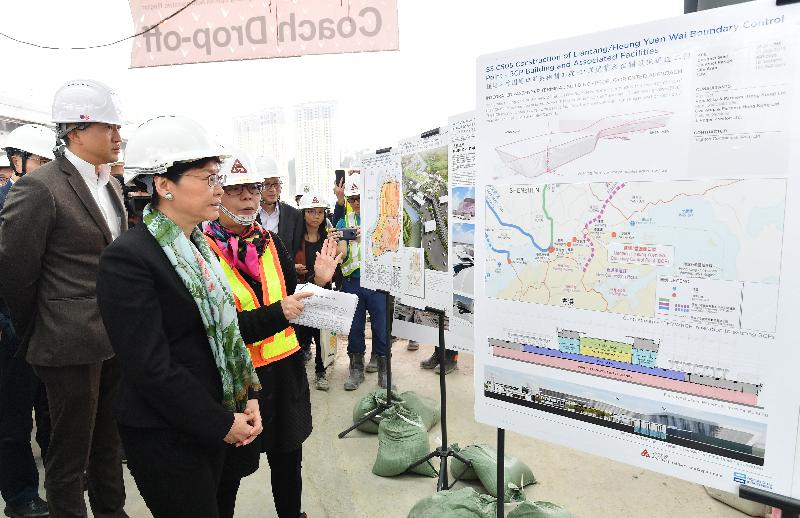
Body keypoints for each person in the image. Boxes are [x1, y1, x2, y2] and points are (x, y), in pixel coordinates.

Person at [96, 116, 270, 518]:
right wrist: (218, 422)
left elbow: (225, 334)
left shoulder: (199, 249)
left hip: (218, 416)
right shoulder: (129, 258)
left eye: (217, 178)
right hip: (166, 434)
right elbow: (150, 367)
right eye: (208, 178)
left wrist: (247, 397)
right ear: (163, 185)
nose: (220, 189)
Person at [0, 79, 128, 518]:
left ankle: (112, 511)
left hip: (114, 340)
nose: (117, 136)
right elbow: (14, 273)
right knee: (69, 454)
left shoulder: (111, 186)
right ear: (75, 130)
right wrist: (40, 331)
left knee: (108, 443)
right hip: (67, 345)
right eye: (108, 127)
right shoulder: (41, 187)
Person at [203, 151, 340, 518]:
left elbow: (294, 300)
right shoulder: (201, 252)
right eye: (238, 190)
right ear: (217, 192)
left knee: (287, 459)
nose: (249, 197)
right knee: (228, 471)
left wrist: (319, 282)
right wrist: (281, 312)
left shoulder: (272, 244)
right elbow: (218, 329)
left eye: (254, 188)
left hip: (284, 372)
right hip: (236, 380)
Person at [0, 124, 55, 518]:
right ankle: (20, 496)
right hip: (9, 334)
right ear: (17, 161)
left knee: (52, 409)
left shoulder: (55, 202)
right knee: (13, 420)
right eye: (39, 161)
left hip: (47, 326)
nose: (45, 169)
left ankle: (60, 476)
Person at [334, 173, 391, 390]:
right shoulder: (343, 221)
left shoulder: (383, 219)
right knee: (355, 328)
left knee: (381, 327)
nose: (356, 203)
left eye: (359, 198)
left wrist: (366, 238)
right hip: (352, 282)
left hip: (378, 282)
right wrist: (339, 244)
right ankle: (356, 370)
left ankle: (385, 372)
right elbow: (341, 252)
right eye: (352, 199)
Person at [294, 191, 335, 390]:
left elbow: (336, 268)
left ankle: (320, 371)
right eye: (311, 211)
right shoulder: (295, 239)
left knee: (321, 337)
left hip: (323, 293)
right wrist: (294, 267)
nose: (316, 216)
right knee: (300, 337)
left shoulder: (327, 239)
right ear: (303, 214)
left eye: (320, 212)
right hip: (301, 293)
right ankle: (298, 375)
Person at [258, 172, 304, 262]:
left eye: (276, 184)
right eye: (266, 184)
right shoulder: (248, 214)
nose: (273, 189)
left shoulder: (294, 215)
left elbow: (294, 248)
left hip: (284, 273)